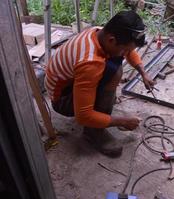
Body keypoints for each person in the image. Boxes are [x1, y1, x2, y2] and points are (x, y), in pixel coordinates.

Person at [45, 10, 155, 157]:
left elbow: (129, 51)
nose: (126, 52)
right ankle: (93, 132)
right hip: (61, 100)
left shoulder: (99, 32)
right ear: (111, 40)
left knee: (114, 62)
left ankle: (99, 110)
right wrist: (121, 121)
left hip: (70, 82)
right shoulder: (90, 63)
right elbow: (82, 116)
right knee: (115, 71)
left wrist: (143, 72)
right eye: (125, 49)